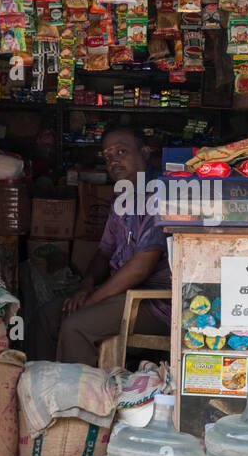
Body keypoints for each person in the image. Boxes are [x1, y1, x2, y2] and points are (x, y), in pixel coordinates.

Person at [26, 125, 171, 367]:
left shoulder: (161, 196)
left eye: (122, 152)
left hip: (154, 303)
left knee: (76, 326)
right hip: (121, 294)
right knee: (47, 316)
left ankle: (77, 401)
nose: (114, 161)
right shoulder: (122, 197)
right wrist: (86, 285)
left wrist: (92, 300)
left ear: (145, 152)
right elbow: (105, 251)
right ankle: (42, 391)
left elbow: (141, 266)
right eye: (108, 156)